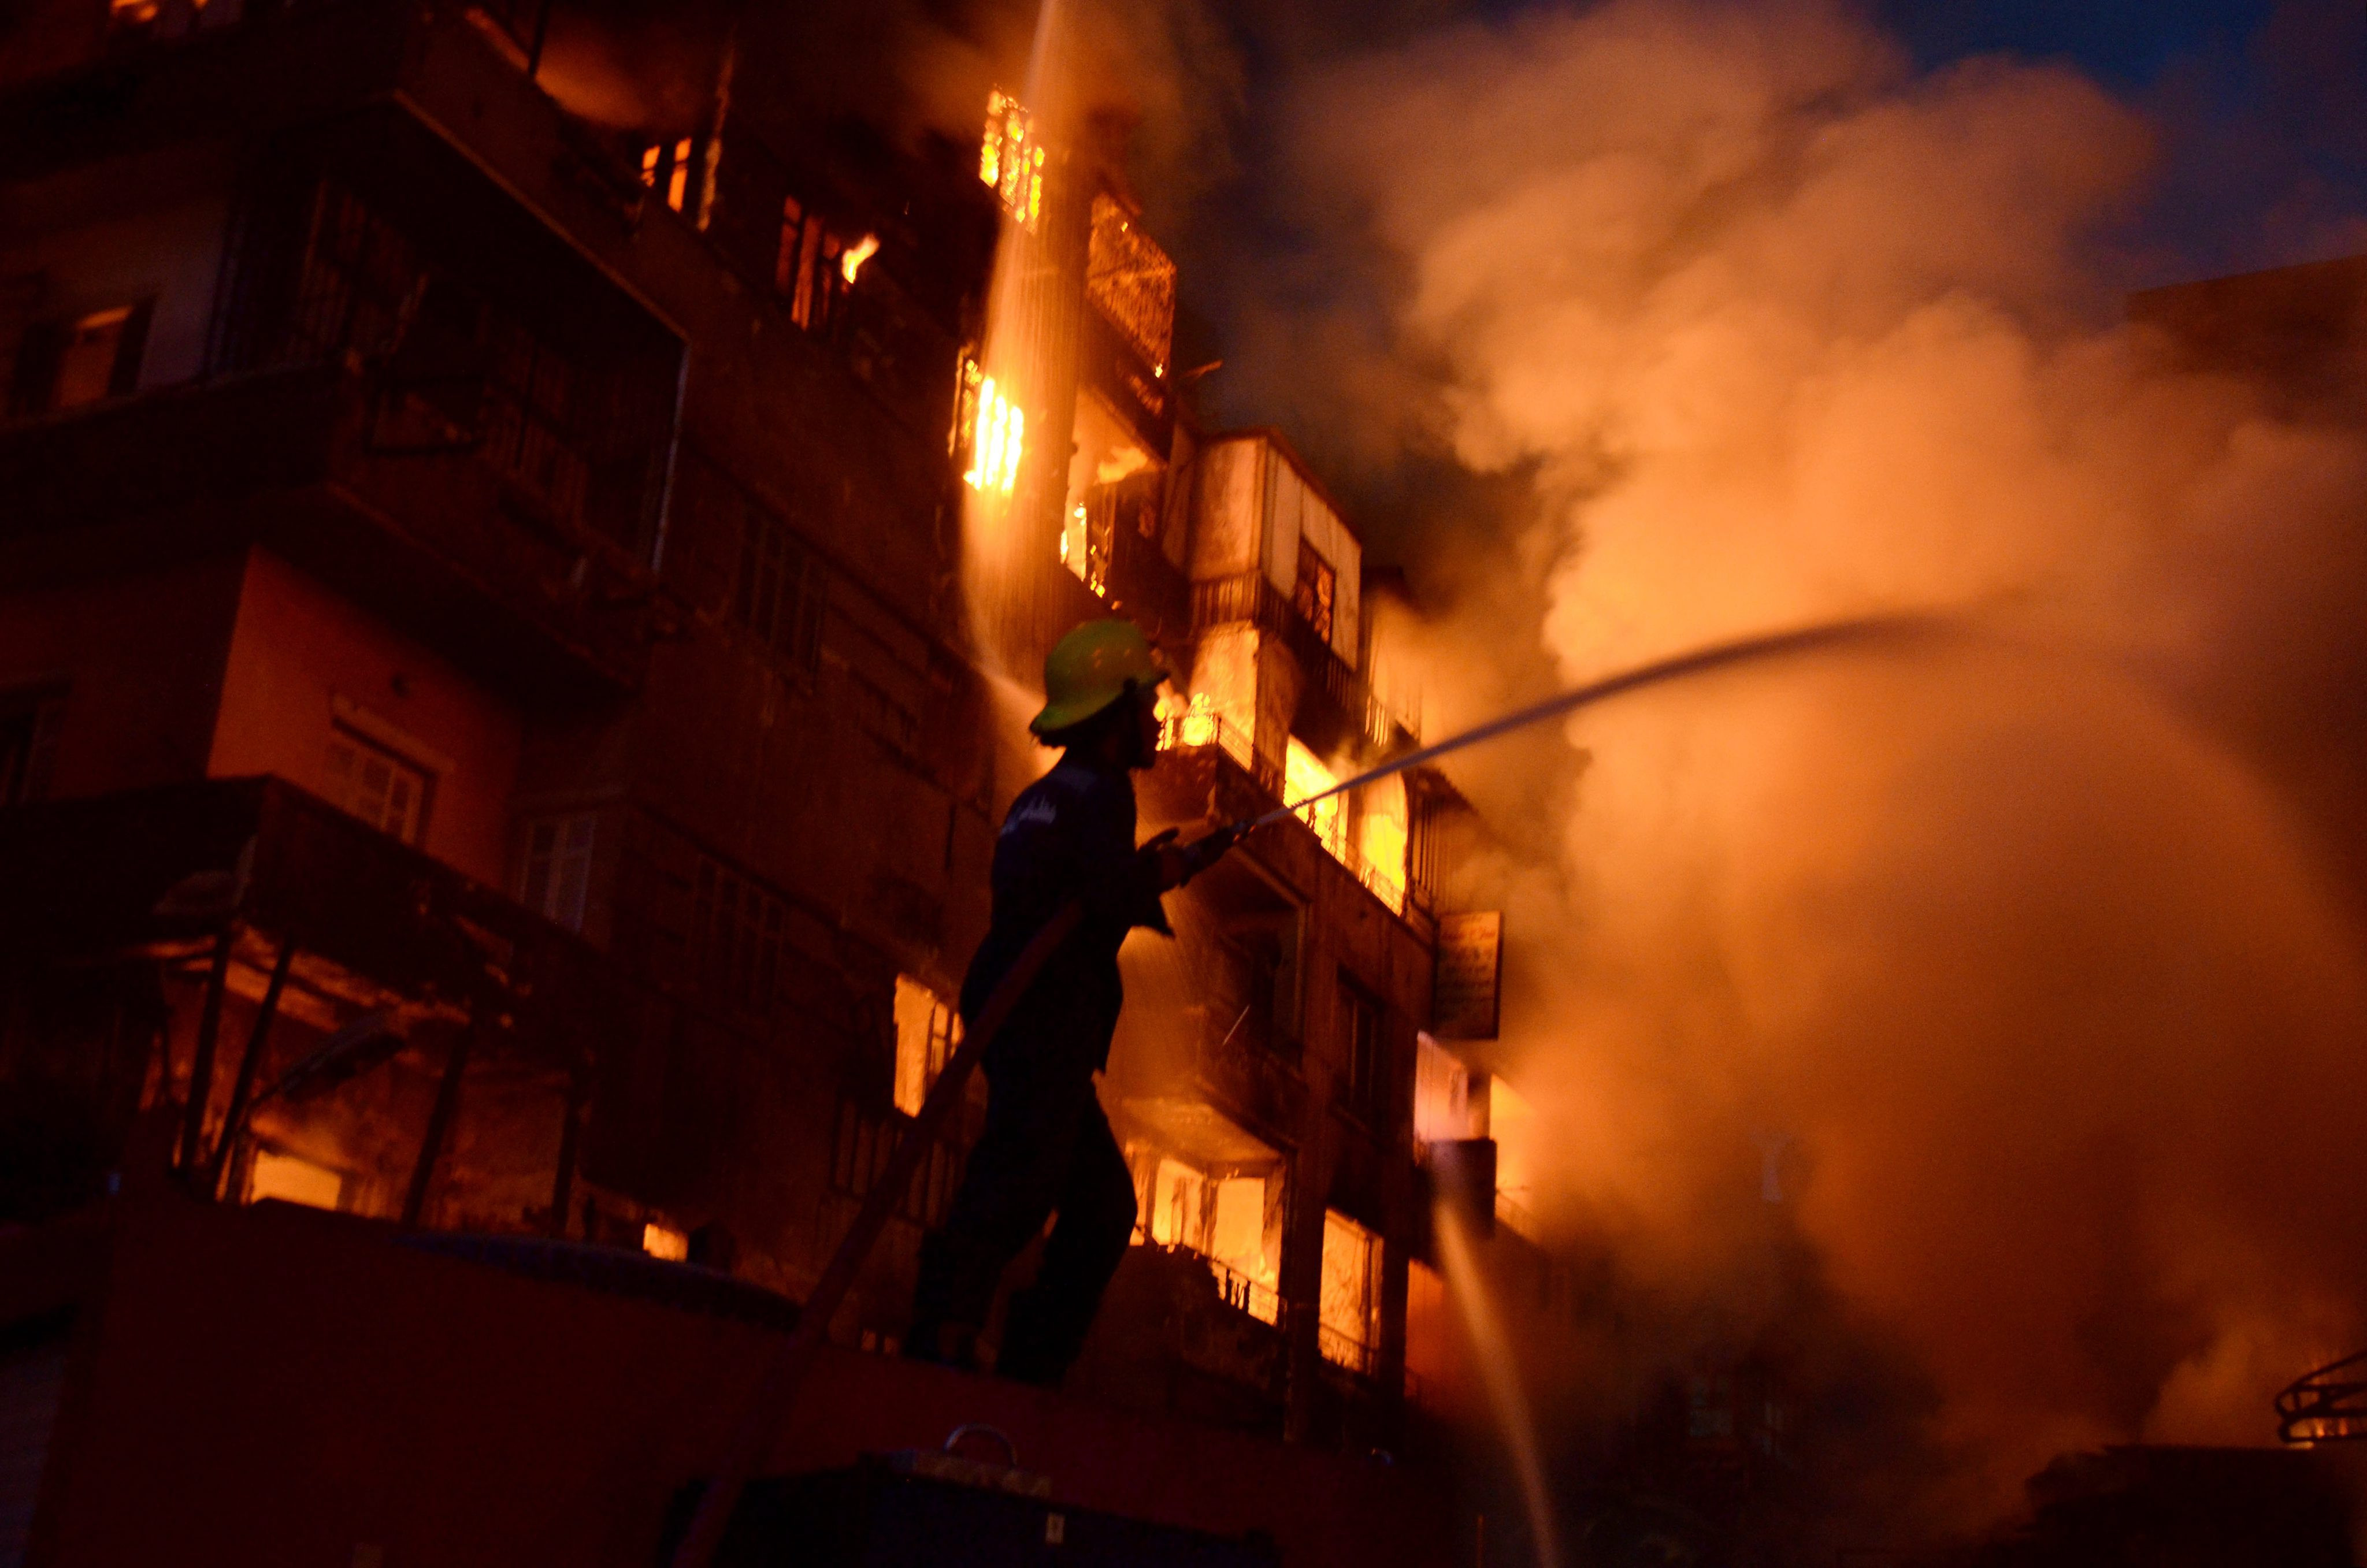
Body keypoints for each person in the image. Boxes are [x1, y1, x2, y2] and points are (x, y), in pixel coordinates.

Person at [906, 619, 1240, 1385]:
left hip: (1017, 1000)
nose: (1157, 719)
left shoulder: (1042, 798)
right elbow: (1103, 892)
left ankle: (1018, 1363)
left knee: (1097, 1205)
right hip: (1043, 1008)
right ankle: (948, 1340)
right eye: (1147, 705)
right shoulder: (1103, 793)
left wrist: (1151, 869)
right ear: (1117, 712)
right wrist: (1176, 867)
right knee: (1022, 1182)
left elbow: (1069, 889)